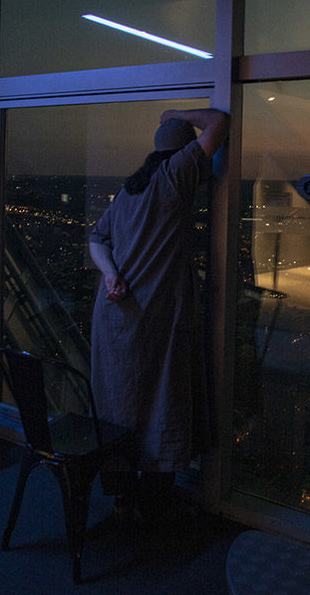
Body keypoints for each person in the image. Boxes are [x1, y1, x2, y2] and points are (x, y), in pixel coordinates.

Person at [89, 107, 230, 518]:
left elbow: (97, 238)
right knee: (162, 398)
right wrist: (180, 112)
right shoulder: (175, 175)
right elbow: (220, 123)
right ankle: (153, 501)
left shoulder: (130, 190)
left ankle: (120, 493)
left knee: (118, 400)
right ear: (183, 150)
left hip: (114, 311)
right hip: (154, 313)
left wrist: (112, 274)